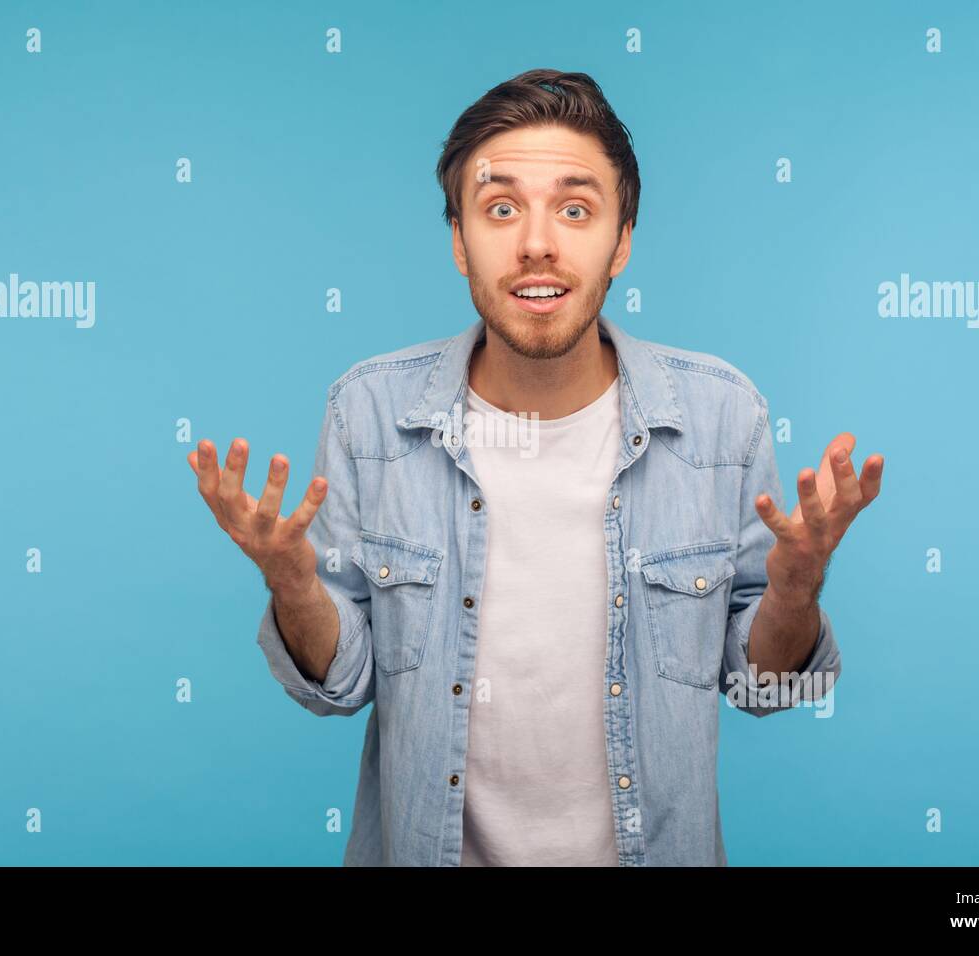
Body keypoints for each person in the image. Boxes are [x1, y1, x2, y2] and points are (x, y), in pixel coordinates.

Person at [188, 69, 883, 866]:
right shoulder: (369, 413)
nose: (537, 243)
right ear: (458, 240)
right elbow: (338, 685)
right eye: (501, 207)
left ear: (622, 238)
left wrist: (795, 588)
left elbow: (772, 689)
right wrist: (292, 580)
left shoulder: (722, 417)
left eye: (576, 208)